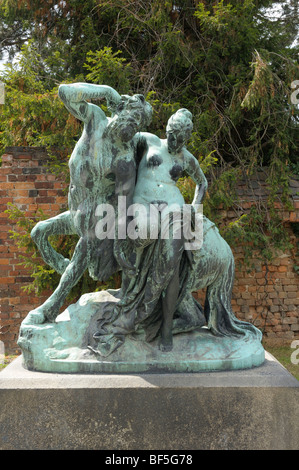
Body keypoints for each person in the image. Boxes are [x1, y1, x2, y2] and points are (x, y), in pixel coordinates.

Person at [22, 83, 152, 325]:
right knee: (39, 232)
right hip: (77, 212)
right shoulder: (95, 118)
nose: (133, 126)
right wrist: (106, 92)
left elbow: (124, 204)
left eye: (138, 124)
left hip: (100, 218)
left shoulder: (124, 158)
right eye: (133, 117)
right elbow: (64, 92)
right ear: (121, 109)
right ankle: (67, 268)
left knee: (82, 252)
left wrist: (119, 244)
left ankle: (49, 307)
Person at [96, 109, 208, 351]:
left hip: (174, 210)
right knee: (142, 234)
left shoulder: (187, 158)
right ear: (166, 130)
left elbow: (202, 182)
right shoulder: (148, 140)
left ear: (187, 137)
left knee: (171, 266)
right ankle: (134, 305)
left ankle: (166, 328)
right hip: (143, 206)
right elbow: (120, 138)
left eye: (180, 138)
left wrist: (194, 207)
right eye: (171, 134)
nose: (174, 141)